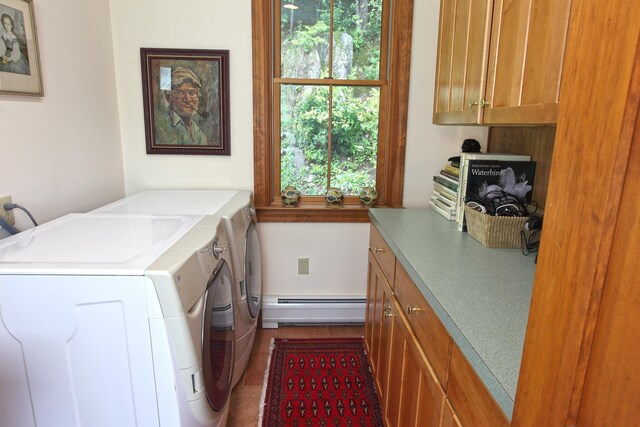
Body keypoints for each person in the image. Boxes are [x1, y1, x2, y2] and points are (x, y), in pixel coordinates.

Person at [155, 67, 208, 145]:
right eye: (180, 93)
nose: (187, 99)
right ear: (169, 98)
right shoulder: (160, 128)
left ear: (198, 97)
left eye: (192, 93)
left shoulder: (199, 134)